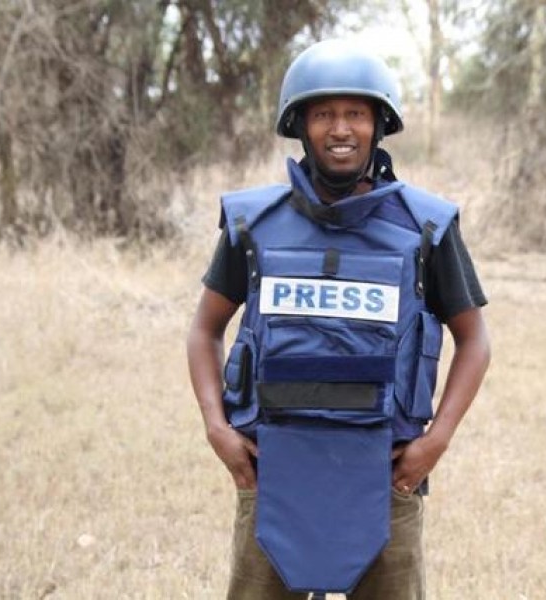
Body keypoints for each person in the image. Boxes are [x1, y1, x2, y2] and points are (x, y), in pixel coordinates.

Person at [186, 39, 490, 600]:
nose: (340, 128)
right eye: (324, 113)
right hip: (272, 472)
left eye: (356, 113)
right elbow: (205, 328)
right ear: (300, 125)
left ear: (379, 124)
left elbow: (474, 340)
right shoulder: (254, 225)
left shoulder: (425, 229)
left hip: (385, 475)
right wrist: (216, 428)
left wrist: (436, 442)